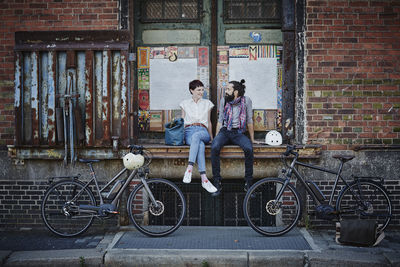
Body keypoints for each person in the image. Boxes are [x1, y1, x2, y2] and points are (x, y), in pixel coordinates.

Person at [211, 79, 257, 197]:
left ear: (236, 91)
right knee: (215, 147)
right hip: (225, 131)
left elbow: (249, 120)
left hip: (239, 132)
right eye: (226, 89)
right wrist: (216, 137)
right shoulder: (224, 100)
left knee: (249, 149)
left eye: (228, 89)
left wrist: (252, 139)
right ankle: (217, 182)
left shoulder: (246, 101)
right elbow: (220, 120)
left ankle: (248, 183)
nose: (226, 91)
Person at [180, 80, 218, 193]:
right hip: (189, 131)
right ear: (192, 90)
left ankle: (189, 168)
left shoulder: (207, 103)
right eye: (198, 90)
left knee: (198, 137)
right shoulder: (184, 103)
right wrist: (181, 137)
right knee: (200, 145)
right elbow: (182, 121)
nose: (201, 92)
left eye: (202, 90)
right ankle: (204, 179)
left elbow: (209, 122)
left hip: (203, 130)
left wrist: (211, 138)